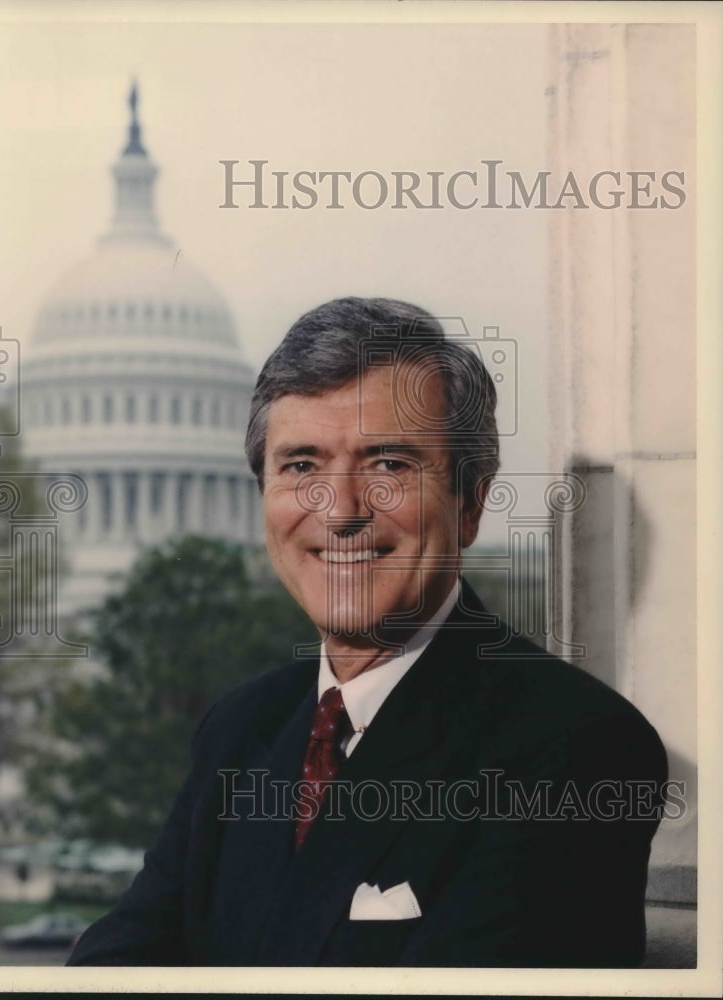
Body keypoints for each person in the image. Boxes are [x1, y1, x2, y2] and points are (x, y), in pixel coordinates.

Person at [68, 297, 667, 968]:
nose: (341, 511)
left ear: (469, 501)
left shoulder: (574, 747)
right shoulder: (240, 727)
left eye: (388, 464)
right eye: (301, 465)